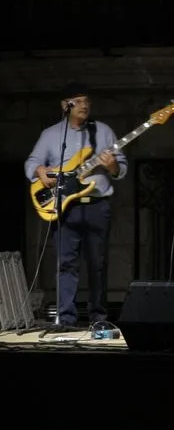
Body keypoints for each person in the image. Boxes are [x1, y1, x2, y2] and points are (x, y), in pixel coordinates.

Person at [24, 82, 128, 330]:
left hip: (97, 205)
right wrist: (40, 171)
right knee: (66, 264)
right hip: (64, 207)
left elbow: (121, 169)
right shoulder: (51, 134)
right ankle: (66, 319)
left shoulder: (103, 131)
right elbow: (32, 163)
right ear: (65, 105)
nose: (84, 105)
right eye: (78, 101)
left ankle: (98, 319)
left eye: (87, 100)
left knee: (97, 263)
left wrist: (112, 166)